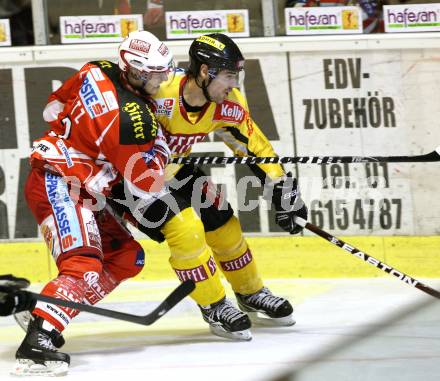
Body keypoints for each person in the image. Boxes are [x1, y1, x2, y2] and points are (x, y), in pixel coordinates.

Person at [109, 33, 308, 341]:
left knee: (223, 222)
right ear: (204, 72)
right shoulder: (158, 91)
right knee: (186, 229)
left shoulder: (227, 104)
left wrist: (281, 189)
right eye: (229, 76)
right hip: (128, 178)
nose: (234, 85)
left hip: (172, 170)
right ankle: (214, 305)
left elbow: (253, 145)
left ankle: (250, 292)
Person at [12, 30, 174, 376]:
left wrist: (85, 145)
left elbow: (51, 109)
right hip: (58, 181)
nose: (164, 79)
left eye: (166, 70)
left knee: (127, 256)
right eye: (158, 73)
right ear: (136, 71)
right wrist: (162, 148)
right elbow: (145, 182)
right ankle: (39, 338)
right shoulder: (128, 118)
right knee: (83, 265)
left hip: (79, 182)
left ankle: (49, 309)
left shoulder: (94, 69)